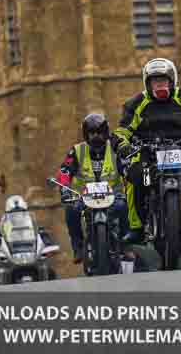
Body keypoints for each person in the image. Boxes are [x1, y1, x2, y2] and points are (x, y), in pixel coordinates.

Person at [111, 58, 181, 245]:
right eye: (155, 81)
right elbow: (122, 130)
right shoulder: (136, 103)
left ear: (172, 80)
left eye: (163, 80)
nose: (159, 84)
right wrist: (122, 144)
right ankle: (136, 227)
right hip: (147, 152)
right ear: (147, 83)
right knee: (133, 177)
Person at [56, 113, 127, 263]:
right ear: (85, 134)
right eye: (92, 133)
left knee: (124, 207)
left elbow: (126, 167)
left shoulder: (115, 148)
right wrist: (64, 187)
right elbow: (65, 170)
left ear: (106, 132)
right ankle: (78, 246)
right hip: (84, 197)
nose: (96, 137)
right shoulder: (77, 150)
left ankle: (126, 245)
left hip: (113, 196)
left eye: (100, 133)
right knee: (71, 209)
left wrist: (130, 176)